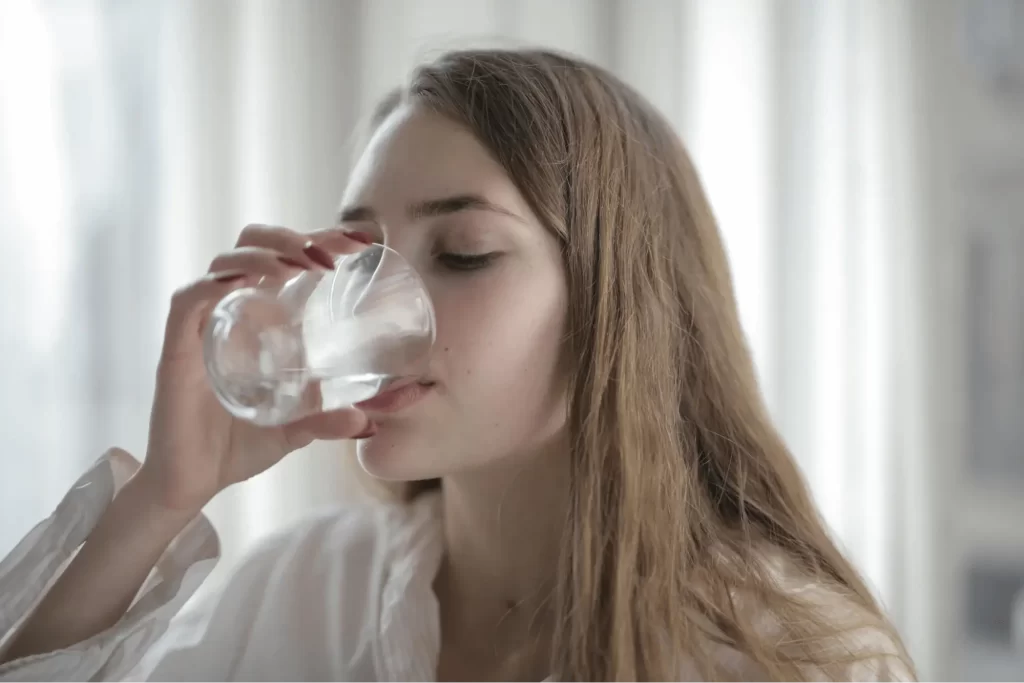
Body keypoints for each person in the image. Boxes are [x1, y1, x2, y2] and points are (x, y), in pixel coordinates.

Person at [0, 48, 916, 683]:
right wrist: (160, 499)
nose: (368, 306)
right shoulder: (306, 591)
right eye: (357, 257)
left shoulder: (795, 657)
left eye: (465, 251)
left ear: (618, 305)